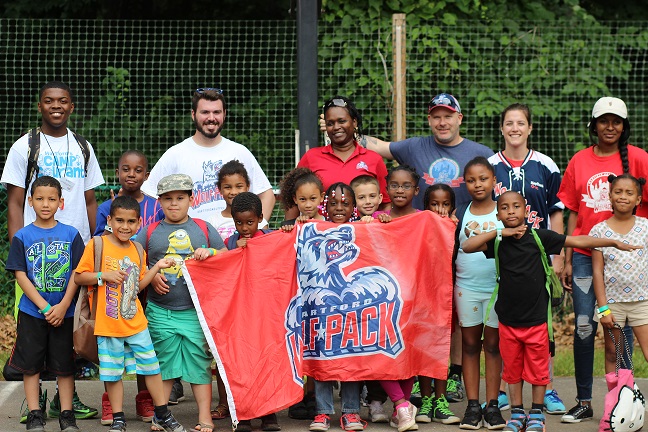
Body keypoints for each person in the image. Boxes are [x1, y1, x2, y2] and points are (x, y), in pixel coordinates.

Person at [349, 93, 494, 400]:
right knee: (424, 307)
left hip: (466, 242)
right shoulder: (414, 146)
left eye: (448, 115)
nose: (442, 122)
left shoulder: (481, 152)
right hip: (422, 245)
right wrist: (349, 127)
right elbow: (379, 146)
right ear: (430, 120)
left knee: (453, 310)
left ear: (459, 118)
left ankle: (451, 374)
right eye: (436, 116)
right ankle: (418, 373)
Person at [461, 190, 642, 432]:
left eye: (516, 206)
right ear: (498, 214)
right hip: (508, 321)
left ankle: (536, 414)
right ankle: (517, 414)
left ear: (526, 211)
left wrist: (612, 242)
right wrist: (499, 232)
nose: (511, 211)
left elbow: (578, 241)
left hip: (536, 321)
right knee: (512, 372)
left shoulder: (540, 237)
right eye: (505, 208)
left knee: (538, 371)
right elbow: (467, 245)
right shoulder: (497, 241)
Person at [1, 80, 102, 421]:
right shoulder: (24, 147)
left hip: (76, 255)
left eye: (63, 101)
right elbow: (15, 202)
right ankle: (34, 402)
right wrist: (20, 250)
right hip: (34, 257)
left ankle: (65, 403)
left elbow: (90, 200)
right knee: (35, 332)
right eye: (49, 101)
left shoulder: (83, 147)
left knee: (70, 335)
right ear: (40, 105)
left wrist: (97, 245)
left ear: (71, 106)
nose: (56, 106)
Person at [557, 97, 648, 423]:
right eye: (603, 121)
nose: (610, 127)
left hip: (629, 262)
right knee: (584, 327)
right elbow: (571, 211)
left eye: (616, 121)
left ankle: (626, 402)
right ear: (593, 124)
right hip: (585, 257)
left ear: (624, 126)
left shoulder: (638, 159)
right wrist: (566, 258)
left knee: (620, 336)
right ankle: (585, 400)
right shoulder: (580, 160)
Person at [74, 196, 187, 432]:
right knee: (113, 373)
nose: (125, 226)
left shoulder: (137, 248)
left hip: (135, 322)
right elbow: (79, 276)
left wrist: (156, 267)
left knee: (151, 367)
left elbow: (138, 286)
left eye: (131, 222)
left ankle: (162, 414)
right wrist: (102, 276)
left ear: (138, 224)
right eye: (119, 221)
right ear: (110, 220)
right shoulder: (98, 244)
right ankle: (118, 418)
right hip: (108, 324)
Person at [488, 103, 566, 414]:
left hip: (538, 260)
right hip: (503, 259)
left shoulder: (545, 165)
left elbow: (556, 212)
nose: (515, 128)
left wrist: (557, 257)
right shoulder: (490, 165)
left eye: (521, 123)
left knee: (540, 327)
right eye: (509, 123)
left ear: (530, 128)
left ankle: (547, 387)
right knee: (508, 324)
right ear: (502, 128)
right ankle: (510, 387)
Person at [134, 174, 226, 432]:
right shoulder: (150, 231)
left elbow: (227, 257)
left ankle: (205, 417)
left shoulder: (203, 228)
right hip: (161, 311)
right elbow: (131, 260)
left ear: (191, 199)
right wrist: (151, 278)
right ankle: (160, 416)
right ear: (160, 202)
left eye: (180, 198)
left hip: (196, 313)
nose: (174, 204)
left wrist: (211, 252)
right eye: (168, 199)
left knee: (199, 364)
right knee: (163, 364)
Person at [376, 165, 460, 427]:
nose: (399, 190)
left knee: (412, 348)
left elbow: (440, 251)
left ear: (415, 190)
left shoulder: (427, 218)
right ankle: (401, 404)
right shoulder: (378, 217)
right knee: (384, 350)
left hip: (417, 299)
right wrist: (372, 223)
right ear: (386, 189)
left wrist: (447, 223)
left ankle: (402, 407)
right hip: (386, 300)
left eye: (405, 185)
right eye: (394, 185)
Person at [5, 176, 85, 432]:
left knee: (65, 366)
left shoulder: (71, 235)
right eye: (39, 198)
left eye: (51, 199)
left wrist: (63, 305)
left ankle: (66, 415)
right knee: (31, 367)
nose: (45, 203)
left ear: (61, 202)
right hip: (32, 313)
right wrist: (46, 307)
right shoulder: (22, 236)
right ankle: (35, 414)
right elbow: (20, 275)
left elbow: (77, 273)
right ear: (30, 202)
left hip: (65, 312)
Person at [141, 88, 275, 221]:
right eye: (205, 112)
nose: (211, 118)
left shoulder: (240, 152)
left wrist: (258, 228)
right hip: (189, 241)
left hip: (236, 241)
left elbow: (267, 195)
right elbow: (148, 196)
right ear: (193, 114)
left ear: (224, 114)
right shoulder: (175, 154)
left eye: (217, 112)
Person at [306, 183, 364, 432]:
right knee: (323, 356)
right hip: (322, 308)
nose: (339, 207)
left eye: (345, 203)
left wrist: (379, 222)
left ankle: (351, 412)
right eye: (333, 203)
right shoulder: (311, 230)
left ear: (354, 207)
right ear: (324, 206)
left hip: (352, 310)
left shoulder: (365, 229)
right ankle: (323, 412)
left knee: (351, 355)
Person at [451, 157, 505, 430]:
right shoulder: (460, 213)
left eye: (483, 179)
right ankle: (473, 407)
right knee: (470, 346)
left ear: (494, 180)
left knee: (493, 347)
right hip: (466, 289)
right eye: (471, 180)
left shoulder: (504, 211)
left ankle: (492, 405)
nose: (477, 184)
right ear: (465, 183)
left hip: (496, 289)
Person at [223, 191, 280, 432]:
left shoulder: (271, 238)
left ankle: (269, 415)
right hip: (240, 314)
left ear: (260, 218)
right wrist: (234, 251)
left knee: (268, 360)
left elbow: (283, 256)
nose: (245, 228)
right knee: (242, 363)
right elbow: (221, 268)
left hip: (266, 314)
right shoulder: (229, 243)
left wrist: (286, 233)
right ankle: (244, 414)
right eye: (239, 222)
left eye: (250, 222)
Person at [296, 95, 390, 219]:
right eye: (330, 123)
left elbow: (386, 204)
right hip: (321, 234)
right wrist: (288, 228)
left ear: (354, 122)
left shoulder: (374, 159)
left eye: (342, 121)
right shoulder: (311, 157)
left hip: (363, 233)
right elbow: (293, 199)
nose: (336, 127)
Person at [591, 174, 648, 374]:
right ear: (610, 196)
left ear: (638, 200)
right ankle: (617, 401)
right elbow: (597, 271)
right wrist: (603, 308)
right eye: (618, 192)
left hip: (643, 301)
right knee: (613, 353)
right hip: (613, 303)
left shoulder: (645, 227)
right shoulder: (598, 231)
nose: (623, 196)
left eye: (629, 193)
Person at [95, 150, 163, 236]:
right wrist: (113, 212)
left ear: (146, 176)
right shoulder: (105, 208)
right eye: (126, 169)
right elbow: (98, 243)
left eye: (138, 171)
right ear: (117, 173)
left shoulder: (158, 207)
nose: (131, 174)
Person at [209, 159, 268, 240]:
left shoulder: (260, 222)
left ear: (248, 186)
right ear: (220, 189)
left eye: (239, 186)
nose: (233, 192)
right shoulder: (212, 221)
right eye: (227, 187)